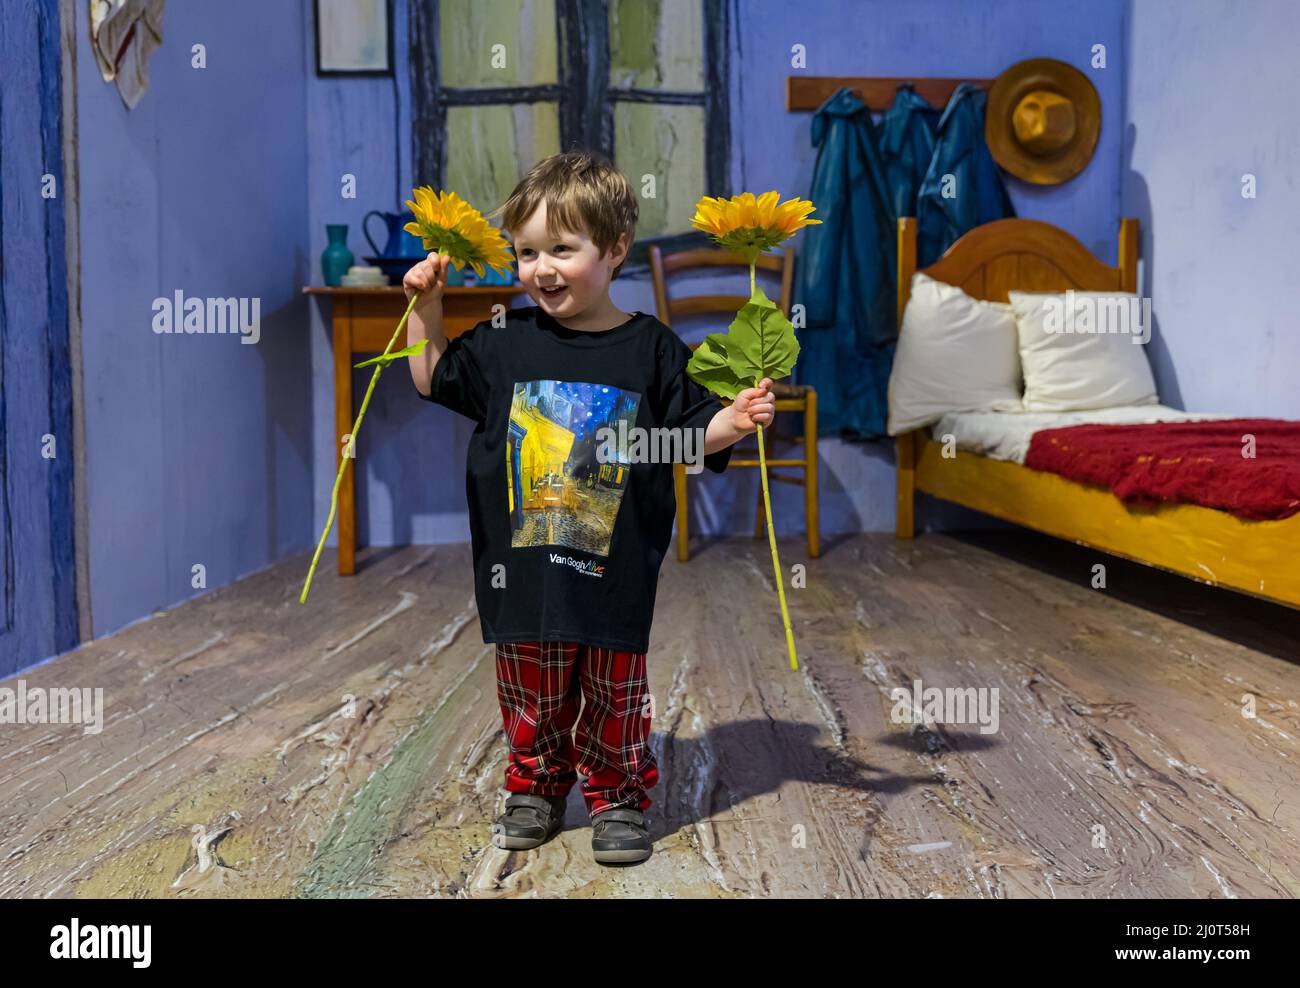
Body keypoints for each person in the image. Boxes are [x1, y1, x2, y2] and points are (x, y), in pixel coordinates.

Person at [406, 150, 774, 865]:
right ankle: (536, 788)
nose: (541, 269)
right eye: (526, 253)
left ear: (612, 250)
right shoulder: (506, 338)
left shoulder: (653, 350)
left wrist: (733, 419)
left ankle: (616, 796)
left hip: (614, 565)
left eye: (562, 250)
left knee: (613, 691)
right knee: (530, 686)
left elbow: (685, 439)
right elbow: (431, 378)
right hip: (523, 564)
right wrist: (425, 307)